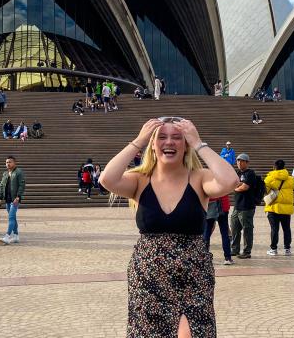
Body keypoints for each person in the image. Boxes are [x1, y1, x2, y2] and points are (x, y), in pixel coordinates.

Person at [99, 117, 239, 336]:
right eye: (162, 137)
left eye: (177, 138)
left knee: (191, 333)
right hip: (148, 277)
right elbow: (107, 179)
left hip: (193, 275)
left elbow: (230, 181)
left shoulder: (199, 178)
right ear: (153, 145)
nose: (169, 142)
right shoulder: (140, 179)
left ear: (185, 146)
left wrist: (199, 143)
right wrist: (138, 141)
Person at [230, 153, 259, 260]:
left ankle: (247, 251)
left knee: (247, 230)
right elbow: (232, 184)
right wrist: (238, 185)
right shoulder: (237, 173)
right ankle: (235, 249)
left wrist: (235, 188)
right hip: (237, 206)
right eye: (238, 160)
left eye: (242, 161)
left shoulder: (250, 173)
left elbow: (245, 187)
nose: (239, 163)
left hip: (247, 207)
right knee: (234, 229)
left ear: (247, 162)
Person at [264, 159, 294, 256]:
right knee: (286, 229)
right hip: (286, 209)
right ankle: (287, 249)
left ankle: (274, 249)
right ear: (284, 167)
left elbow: (265, 191)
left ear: (274, 167)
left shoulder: (270, 178)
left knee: (274, 229)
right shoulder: (290, 179)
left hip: (274, 207)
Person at [0, 156, 26, 244]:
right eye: (6, 162)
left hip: (15, 199)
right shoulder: (5, 174)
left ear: (14, 163)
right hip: (8, 199)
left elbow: (22, 185)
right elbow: (2, 186)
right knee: (13, 217)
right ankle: (16, 236)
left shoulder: (18, 172)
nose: (8, 164)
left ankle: (7, 236)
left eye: (10, 162)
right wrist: (0, 197)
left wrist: (18, 196)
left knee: (11, 217)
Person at [203, 193, 233, 265]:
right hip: (223, 204)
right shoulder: (224, 181)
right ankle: (227, 258)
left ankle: (205, 257)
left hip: (210, 204)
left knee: (206, 232)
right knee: (224, 232)